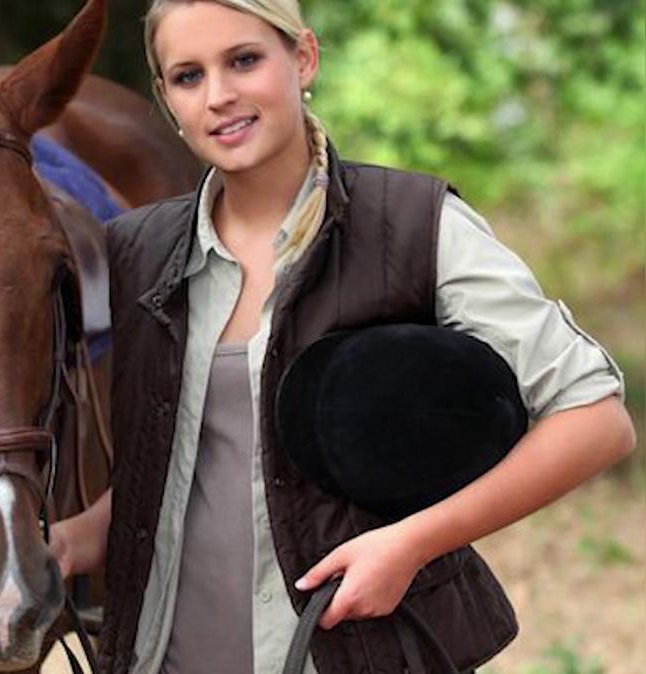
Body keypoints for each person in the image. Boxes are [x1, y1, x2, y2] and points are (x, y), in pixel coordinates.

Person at [45, 1, 636, 673]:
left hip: (357, 652)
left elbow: (596, 419)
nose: (219, 96)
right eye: (188, 76)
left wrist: (411, 543)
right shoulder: (138, 251)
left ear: (303, 58)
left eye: (243, 60)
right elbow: (188, 462)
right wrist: (74, 540)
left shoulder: (415, 225)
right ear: (166, 100)